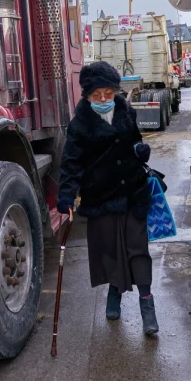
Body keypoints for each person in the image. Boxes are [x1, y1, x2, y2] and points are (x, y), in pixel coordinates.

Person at [57, 61, 158, 335]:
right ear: (86, 96)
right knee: (112, 250)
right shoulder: (80, 124)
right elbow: (71, 163)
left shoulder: (126, 111)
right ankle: (114, 294)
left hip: (133, 193)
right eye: (96, 95)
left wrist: (140, 150)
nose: (103, 99)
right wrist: (66, 195)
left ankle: (147, 306)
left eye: (108, 93)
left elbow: (135, 141)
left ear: (115, 91)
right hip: (101, 197)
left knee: (138, 250)